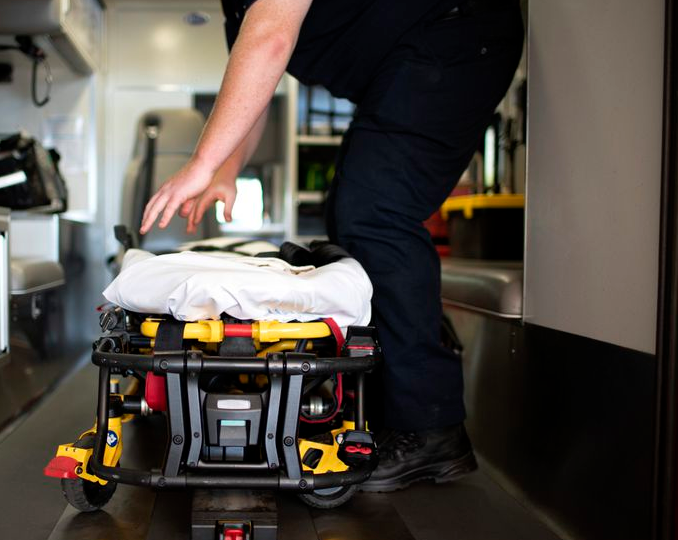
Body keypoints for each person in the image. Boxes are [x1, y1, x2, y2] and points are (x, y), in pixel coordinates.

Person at [140, 0, 524, 491]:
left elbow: (271, 40)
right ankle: (392, 402)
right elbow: (256, 82)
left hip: (455, 31)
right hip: (417, 53)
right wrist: (225, 172)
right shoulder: (236, 8)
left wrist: (199, 164)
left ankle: (429, 427)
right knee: (354, 212)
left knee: (375, 212)